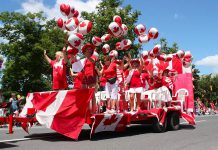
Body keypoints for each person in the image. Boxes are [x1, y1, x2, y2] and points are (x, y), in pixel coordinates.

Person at [81, 43, 97, 113]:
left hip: (91, 77)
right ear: (85, 50)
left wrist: (88, 57)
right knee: (84, 94)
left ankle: (93, 111)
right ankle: (86, 110)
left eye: (90, 49)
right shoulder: (84, 60)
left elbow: (93, 61)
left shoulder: (93, 56)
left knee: (92, 94)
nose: (89, 50)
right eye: (87, 49)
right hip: (84, 77)